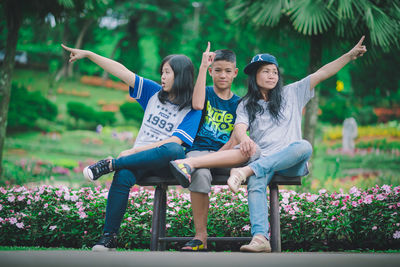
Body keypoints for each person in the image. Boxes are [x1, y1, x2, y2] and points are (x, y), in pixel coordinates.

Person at [169, 36, 367, 252]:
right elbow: (239, 129)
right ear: (255, 76)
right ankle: (260, 239)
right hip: (261, 164)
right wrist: (244, 139)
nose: (271, 75)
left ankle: (246, 171)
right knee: (256, 179)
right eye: (265, 71)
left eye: (274, 71)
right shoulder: (246, 104)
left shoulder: (292, 93)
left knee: (303, 146)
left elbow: (322, 73)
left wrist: (349, 56)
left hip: (289, 162)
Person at [61, 44, 202, 251]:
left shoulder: (193, 109)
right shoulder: (153, 93)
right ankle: (108, 238)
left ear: (180, 76)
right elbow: (122, 72)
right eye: (162, 72)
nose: (162, 77)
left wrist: (133, 151)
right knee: (124, 174)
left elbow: (175, 143)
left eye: (167, 72)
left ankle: (111, 164)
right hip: (138, 163)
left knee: (174, 151)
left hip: (165, 164)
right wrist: (89, 55)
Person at [169, 42, 247, 251]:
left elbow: (236, 138)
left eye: (227, 71)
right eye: (218, 70)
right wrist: (203, 66)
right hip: (200, 150)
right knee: (201, 173)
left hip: (226, 155)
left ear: (235, 73)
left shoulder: (240, 103)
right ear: (212, 71)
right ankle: (200, 236)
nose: (222, 75)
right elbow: (196, 104)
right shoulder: (205, 93)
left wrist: (218, 157)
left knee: (240, 162)